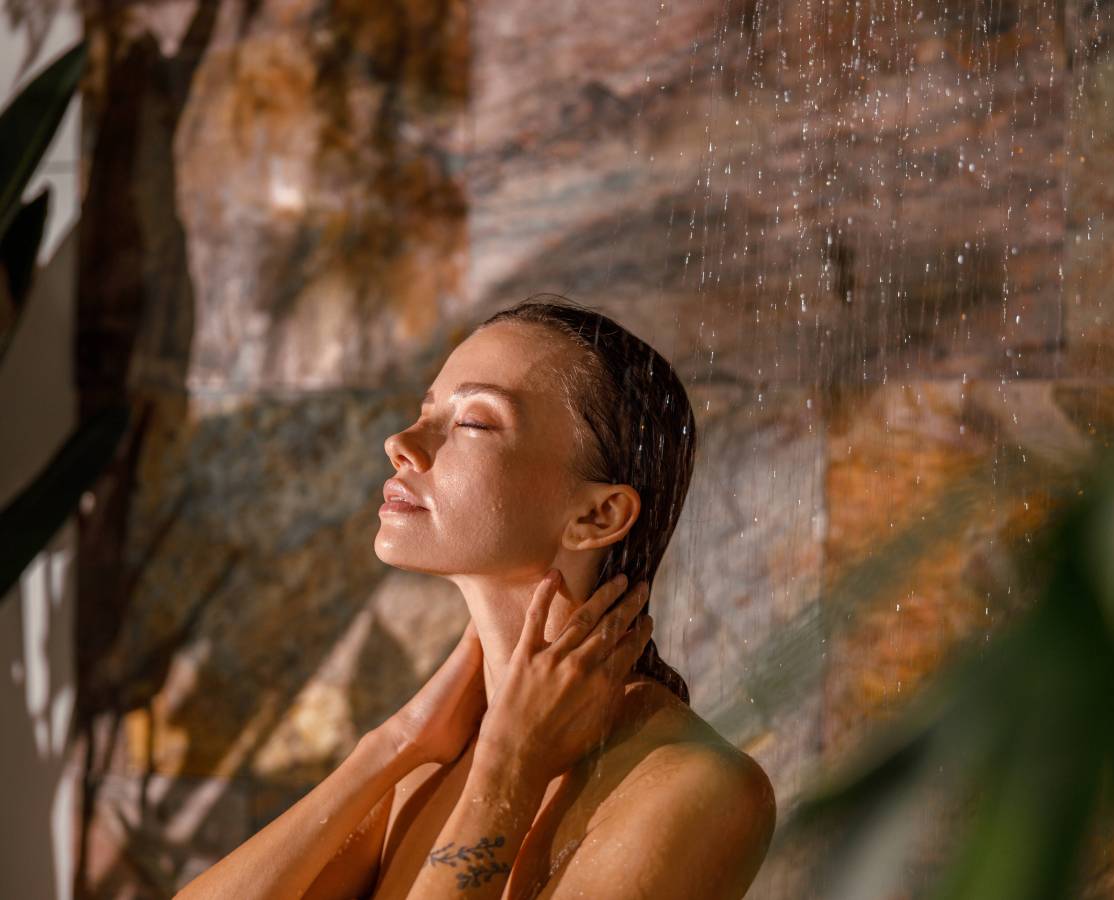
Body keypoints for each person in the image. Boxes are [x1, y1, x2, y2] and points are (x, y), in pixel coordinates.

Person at [175, 295, 776, 900]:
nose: (401, 442)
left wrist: (509, 771)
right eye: (427, 411)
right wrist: (391, 746)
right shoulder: (427, 763)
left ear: (597, 515)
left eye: (474, 422)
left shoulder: (696, 786)